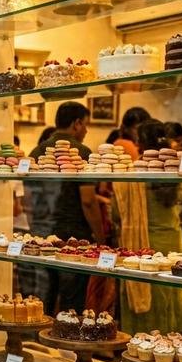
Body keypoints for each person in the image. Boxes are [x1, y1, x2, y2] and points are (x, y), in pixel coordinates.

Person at [113, 120, 182, 333]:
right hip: (171, 241)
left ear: (139, 142)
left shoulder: (130, 173)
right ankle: (171, 343)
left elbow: (117, 213)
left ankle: (138, 344)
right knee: (168, 293)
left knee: (140, 288)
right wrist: (178, 221)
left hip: (138, 246)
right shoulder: (176, 170)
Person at [27, 102, 105, 313]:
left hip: (41, 233)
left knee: (42, 300)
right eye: (86, 124)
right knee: (72, 301)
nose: (87, 130)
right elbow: (88, 201)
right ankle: (67, 345)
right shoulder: (82, 152)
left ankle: (39, 344)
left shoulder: (36, 152)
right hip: (74, 235)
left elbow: (28, 199)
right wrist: (100, 237)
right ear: (77, 123)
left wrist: (34, 230)